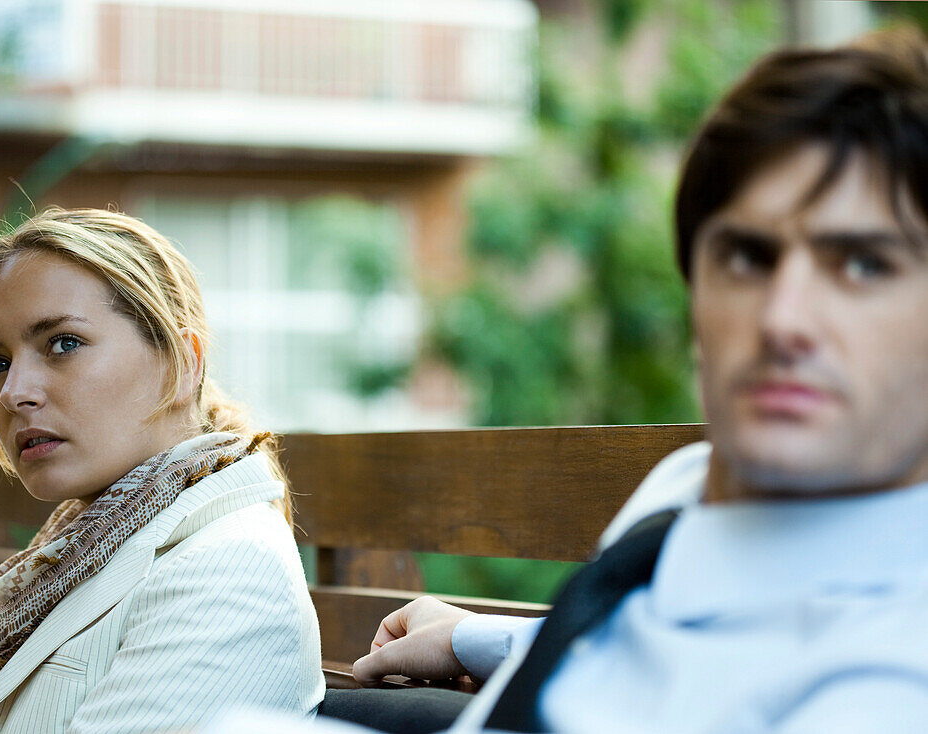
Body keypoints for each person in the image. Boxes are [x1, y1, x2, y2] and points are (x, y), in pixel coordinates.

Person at [214, 25, 928, 734]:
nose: (782, 319)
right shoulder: (688, 486)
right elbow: (640, 655)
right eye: (747, 257)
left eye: (864, 265)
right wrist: (475, 636)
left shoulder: (884, 674)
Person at [0, 208, 324, 733]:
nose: (14, 392)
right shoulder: (84, 551)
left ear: (182, 364)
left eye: (63, 343)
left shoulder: (227, 570)